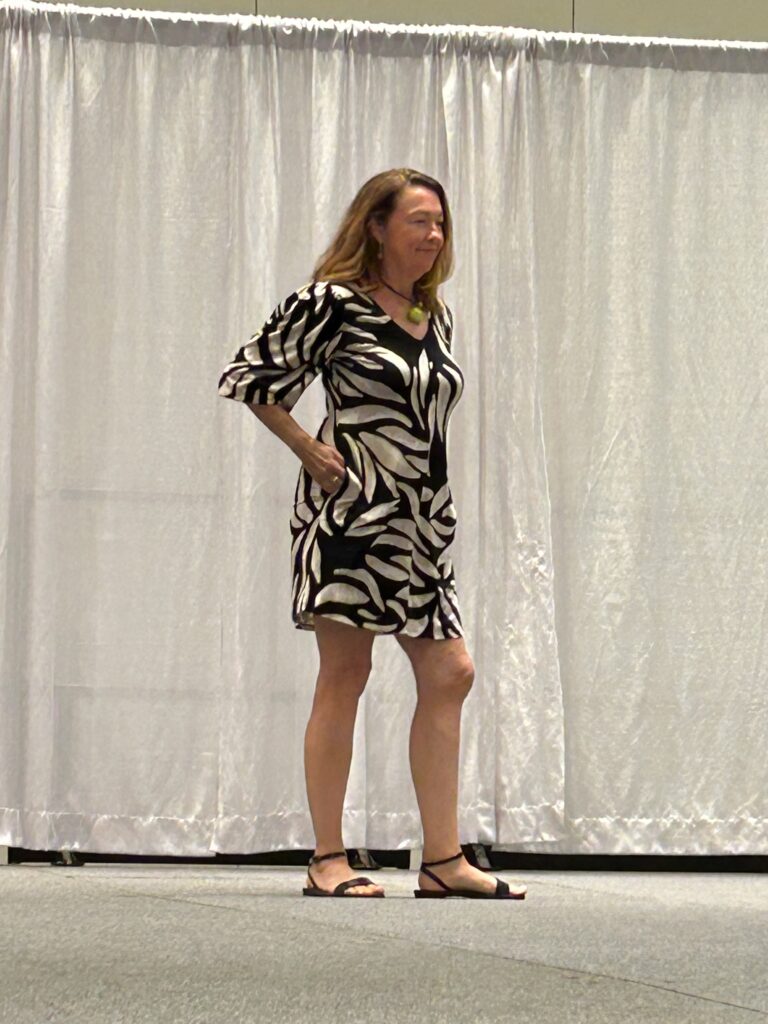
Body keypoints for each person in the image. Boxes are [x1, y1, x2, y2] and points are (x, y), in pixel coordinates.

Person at [218, 168, 526, 900]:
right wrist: (307, 446)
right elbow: (252, 376)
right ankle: (327, 858)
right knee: (346, 674)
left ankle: (443, 861)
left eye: (441, 223)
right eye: (419, 220)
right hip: (352, 520)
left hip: (421, 528)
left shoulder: (434, 315)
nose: (435, 235)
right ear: (378, 227)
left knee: (450, 672)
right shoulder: (331, 303)